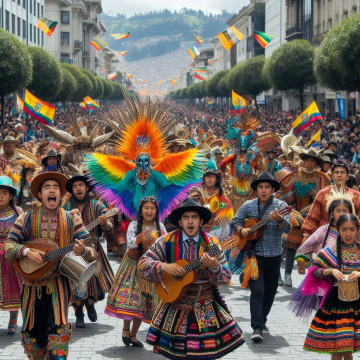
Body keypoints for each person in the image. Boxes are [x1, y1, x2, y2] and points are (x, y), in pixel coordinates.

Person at [4, 171, 96, 360]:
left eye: (56, 188)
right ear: (39, 194)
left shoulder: (72, 219)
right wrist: (27, 252)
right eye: (47, 187)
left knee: (58, 331)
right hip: (31, 286)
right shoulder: (26, 218)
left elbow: (92, 248)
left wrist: (83, 251)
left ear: (61, 195)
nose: (52, 191)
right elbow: (8, 245)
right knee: (32, 335)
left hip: (58, 285)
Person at [138, 197, 244, 359]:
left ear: (201, 221)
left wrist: (215, 266)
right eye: (186, 217)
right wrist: (165, 267)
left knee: (205, 354)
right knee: (177, 354)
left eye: (194, 217)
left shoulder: (213, 243)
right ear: (180, 222)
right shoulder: (166, 241)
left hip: (205, 305)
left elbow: (226, 277)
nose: (190, 222)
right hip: (174, 304)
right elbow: (143, 264)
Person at [230, 172, 291, 342]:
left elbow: (287, 228)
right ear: (256, 189)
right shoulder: (248, 206)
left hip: (274, 255)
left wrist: (279, 219)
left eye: (267, 187)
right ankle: (256, 327)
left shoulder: (281, 205)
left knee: (270, 292)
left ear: (272, 189)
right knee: (258, 290)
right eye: (260, 187)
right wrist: (242, 230)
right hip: (254, 256)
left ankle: (262, 320)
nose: (263, 190)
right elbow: (234, 221)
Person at [105, 197, 166, 347]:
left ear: (156, 211)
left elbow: (167, 244)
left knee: (143, 302)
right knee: (132, 299)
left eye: (152, 208)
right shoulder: (133, 225)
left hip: (149, 270)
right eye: (146, 208)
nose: (149, 211)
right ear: (141, 210)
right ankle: (126, 330)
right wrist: (139, 239)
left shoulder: (161, 227)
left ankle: (133, 335)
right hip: (133, 265)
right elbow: (130, 244)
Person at [303, 213, 360, 359]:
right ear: (338, 231)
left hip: (357, 303)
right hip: (336, 303)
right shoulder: (330, 252)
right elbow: (314, 270)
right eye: (344, 229)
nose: (348, 234)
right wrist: (331, 270)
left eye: (352, 229)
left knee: (347, 348)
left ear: (358, 230)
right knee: (338, 347)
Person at [63, 173, 114, 328]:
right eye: (75, 186)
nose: (78, 188)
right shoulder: (65, 207)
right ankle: (79, 313)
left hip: (92, 249)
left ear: (86, 188)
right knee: (75, 283)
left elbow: (110, 228)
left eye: (81, 185)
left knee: (95, 284)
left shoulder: (97, 205)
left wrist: (105, 224)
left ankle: (90, 303)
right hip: (73, 249)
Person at [302, 160, 360, 242]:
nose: (339, 175)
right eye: (336, 172)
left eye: (342, 172)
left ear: (347, 176)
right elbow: (312, 220)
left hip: (349, 239)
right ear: (332, 175)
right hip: (324, 238)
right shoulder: (322, 194)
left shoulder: (356, 196)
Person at [296, 195, 354, 274]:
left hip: (348, 276)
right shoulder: (324, 230)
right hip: (324, 275)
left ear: (349, 213)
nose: (341, 214)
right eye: (338, 211)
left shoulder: (355, 231)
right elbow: (305, 248)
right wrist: (303, 263)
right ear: (332, 213)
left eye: (344, 211)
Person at [0, 176, 23, 335]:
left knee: (14, 286)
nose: (0, 196)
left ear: (11, 195)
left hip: (11, 254)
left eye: (4, 193)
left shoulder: (18, 212)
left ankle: (13, 318)